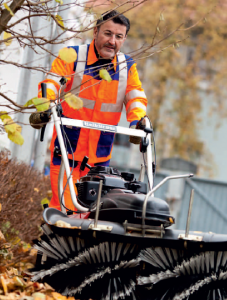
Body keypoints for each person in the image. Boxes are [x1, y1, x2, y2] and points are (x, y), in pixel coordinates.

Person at [38, 10, 148, 211]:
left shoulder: (127, 68)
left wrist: (138, 122)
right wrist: (46, 104)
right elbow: (51, 82)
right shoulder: (71, 57)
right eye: (107, 33)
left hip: (99, 157)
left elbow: (136, 97)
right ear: (95, 31)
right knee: (65, 207)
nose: (112, 41)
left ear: (124, 39)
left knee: (93, 213)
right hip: (67, 149)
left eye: (118, 36)